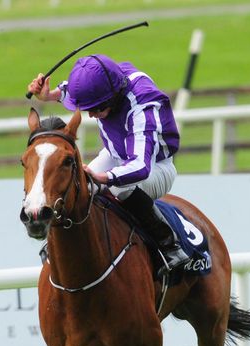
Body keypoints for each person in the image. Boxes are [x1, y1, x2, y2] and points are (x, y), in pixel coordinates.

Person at [27, 54, 190, 273]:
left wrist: (104, 178)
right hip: (116, 154)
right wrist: (49, 95)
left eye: (96, 109)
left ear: (113, 97)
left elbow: (140, 166)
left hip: (156, 166)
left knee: (118, 186)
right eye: (88, 109)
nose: (92, 115)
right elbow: (73, 90)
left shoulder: (143, 106)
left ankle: (170, 245)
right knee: (78, 183)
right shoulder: (107, 81)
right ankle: (58, 243)